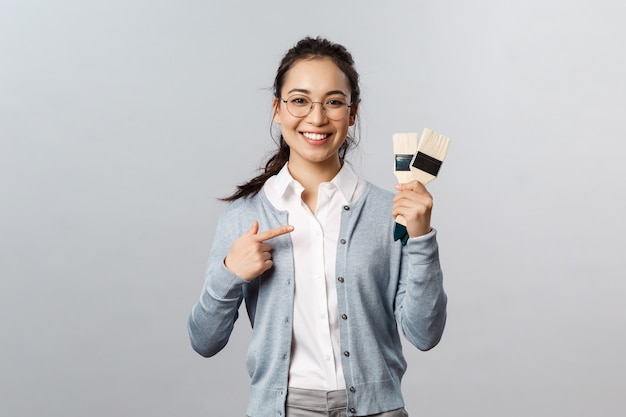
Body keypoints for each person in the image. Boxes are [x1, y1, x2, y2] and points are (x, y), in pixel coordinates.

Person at [188, 36, 447, 417]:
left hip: (378, 409)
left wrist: (421, 237)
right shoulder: (245, 216)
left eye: (334, 102)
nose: (316, 117)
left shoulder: (388, 211)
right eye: (299, 100)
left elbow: (425, 335)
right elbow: (204, 340)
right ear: (277, 109)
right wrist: (230, 274)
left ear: (352, 112)